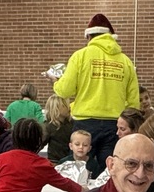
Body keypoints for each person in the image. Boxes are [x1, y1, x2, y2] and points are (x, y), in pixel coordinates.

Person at [52, 13, 140, 177]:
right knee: (110, 171)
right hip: (114, 125)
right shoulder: (126, 62)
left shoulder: (80, 56)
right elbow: (134, 102)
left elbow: (64, 90)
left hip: (85, 125)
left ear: (89, 36)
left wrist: (56, 82)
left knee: (79, 172)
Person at [43, 94, 74, 163]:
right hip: (55, 162)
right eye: (64, 105)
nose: (69, 107)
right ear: (56, 108)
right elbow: (40, 144)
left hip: (71, 161)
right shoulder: (48, 126)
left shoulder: (72, 123)